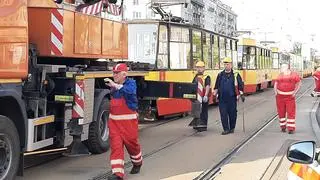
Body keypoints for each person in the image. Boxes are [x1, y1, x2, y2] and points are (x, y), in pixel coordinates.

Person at [104, 63, 142, 180]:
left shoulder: (131, 83)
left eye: (117, 73)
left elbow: (129, 92)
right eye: (113, 73)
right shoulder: (115, 86)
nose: (114, 75)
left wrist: (115, 85)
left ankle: (137, 162)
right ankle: (118, 174)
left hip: (128, 123)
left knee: (132, 145)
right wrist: (114, 85)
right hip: (114, 122)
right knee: (116, 147)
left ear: (124, 74)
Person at [213, 57, 245, 135]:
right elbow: (216, 86)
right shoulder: (220, 75)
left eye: (228, 64)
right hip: (222, 98)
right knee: (223, 114)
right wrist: (214, 95)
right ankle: (226, 129)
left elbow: (240, 86)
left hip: (232, 98)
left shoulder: (236, 75)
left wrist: (242, 95)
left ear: (231, 65)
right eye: (225, 64)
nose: (226, 66)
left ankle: (232, 128)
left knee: (232, 114)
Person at [274, 64, 301, 134]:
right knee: (281, 112)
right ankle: (283, 127)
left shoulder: (294, 75)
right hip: (280, 97)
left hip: (290, 97)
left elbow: (299, 83)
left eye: (282, 67)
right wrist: (275, 92)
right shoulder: (280, 75)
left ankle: (291, 128)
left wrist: (295, 92)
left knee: (291, 112)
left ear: (287, 68)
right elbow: (276, 83)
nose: (281, 68)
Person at [189, 61, 211, 132]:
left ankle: (204, 125)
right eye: (197, 67)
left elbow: (207, 86)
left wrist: (205, 95)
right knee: (196, 110)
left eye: (200, 67)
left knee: (203, 111)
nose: (199, 69)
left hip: (204, 97)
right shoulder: (196, 77)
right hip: (197, 97)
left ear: (204, 68)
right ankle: (196, 124)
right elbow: (192, 86)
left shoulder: (206, 77)